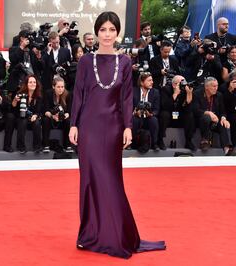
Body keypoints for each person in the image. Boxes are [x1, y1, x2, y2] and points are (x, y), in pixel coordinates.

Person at [68, 11, 166, 259]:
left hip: (112, 128)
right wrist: (73, 124)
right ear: (97, 32)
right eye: (103, 30)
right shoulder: (84, 62)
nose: (108, 34)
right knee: (89, 180)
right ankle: (89, 235)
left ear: (118, 32)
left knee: (111, 180)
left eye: (112, 30)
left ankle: (116, 234)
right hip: (88, 128)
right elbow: (78, 94)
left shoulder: (124, 62)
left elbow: (126, 98)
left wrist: (128, 126)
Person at [193, 77, 233, 155]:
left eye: (217, 86)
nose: (216, 88)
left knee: (224, 124)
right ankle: (205, 141)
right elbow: (195, 110)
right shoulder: (197, 94)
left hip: (215, 121)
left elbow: (223, 111)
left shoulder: (219, 95)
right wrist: (208, 112)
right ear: (206, 86)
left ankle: (227, 148)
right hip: (201, 121)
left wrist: (223, 118)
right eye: (213, 86)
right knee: (207, 117)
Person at [12, 74, 43, 153]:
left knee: (37, 123)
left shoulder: (38, 96)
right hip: (21, 117)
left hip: (32, 117)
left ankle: (37, 146)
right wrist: (15, 100)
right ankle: (21, 146)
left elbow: (39, 111)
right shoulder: (20, 93)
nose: (33, 84)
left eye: (34, 82)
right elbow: (13, 107)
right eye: (30, 82)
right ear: (26, 84)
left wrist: (35, 115)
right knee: (23, 121)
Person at [41, 75, 72, 153]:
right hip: (51, 118)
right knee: (45, 120)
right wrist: (52, 116)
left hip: (62, 119)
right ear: (53, 86)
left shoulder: (68, 94)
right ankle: (46, 145)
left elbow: (69, 111)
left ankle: (67, 145)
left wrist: (66, 115)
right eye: (58, 87)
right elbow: (45, 110)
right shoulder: (48, 93)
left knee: (68, 121)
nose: (61, 89)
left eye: (62, 87)